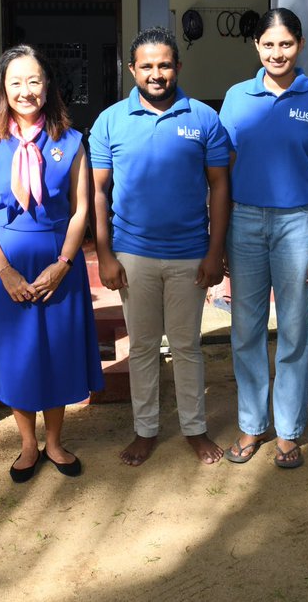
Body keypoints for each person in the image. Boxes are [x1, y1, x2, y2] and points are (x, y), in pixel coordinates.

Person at [91, 27, 230, 467]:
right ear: (131, 70)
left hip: (191, 253)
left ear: (178, 68)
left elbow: (221, 186)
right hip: (133, 254)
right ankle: (145, 430)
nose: (156, 74)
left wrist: (215, 252)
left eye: (164, 64)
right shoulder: (110, 120)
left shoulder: (204, 118)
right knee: (144, 345)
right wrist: (106, 254)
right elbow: (97, 192)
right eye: (147, 66)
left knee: (187, 345)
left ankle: (195, 427)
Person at [0, 45, 103, 483]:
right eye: (16, 82)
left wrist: (65, 262)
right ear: (2, 89)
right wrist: (4, 271)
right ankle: (28, 444)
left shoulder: (71, 140)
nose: (26, 91)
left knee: (57, 352)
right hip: (4, 260)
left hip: (58, 259)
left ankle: (56, 442)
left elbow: (82, 209)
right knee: (18, 356)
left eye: (34, 81)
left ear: (47, 85)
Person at [219, 8, 308, 469]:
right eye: (268, 44)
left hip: (299, 223)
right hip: (245, 223)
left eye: (286, 44)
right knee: (245, 330)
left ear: (301, 45)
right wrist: (221, 231)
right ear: (256, 46)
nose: (277, 53)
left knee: (294, 332)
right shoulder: (236, 97)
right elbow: (222, 169)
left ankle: (288, 430)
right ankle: (253, 424)